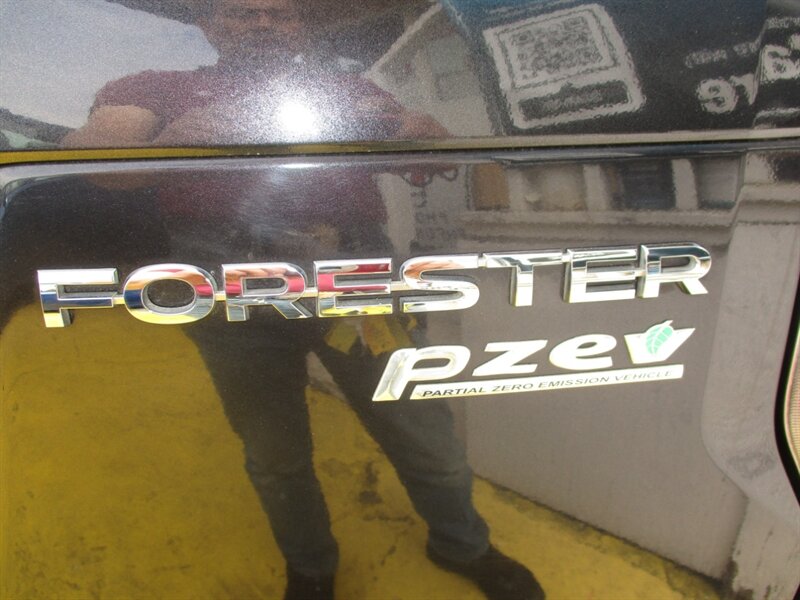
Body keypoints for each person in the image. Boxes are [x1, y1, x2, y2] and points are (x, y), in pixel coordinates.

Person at [63, 2, 545, 599]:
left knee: (422, 429)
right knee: (273, 451)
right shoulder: (156, 86)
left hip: (354, 273)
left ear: (299, 28)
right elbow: (95, 161)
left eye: (281, 14)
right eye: (245, 13)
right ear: (209, 26)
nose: (265, 24)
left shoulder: (347, 90)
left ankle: (463, 544)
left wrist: (413, 131)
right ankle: (311, 568)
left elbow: (436, 153)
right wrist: (177, 138)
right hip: (227, 281)